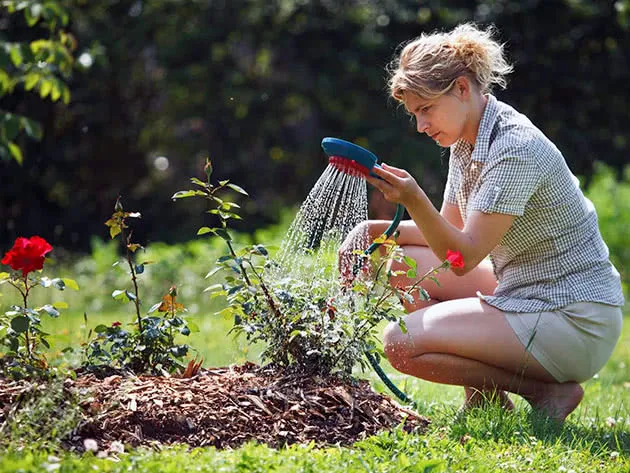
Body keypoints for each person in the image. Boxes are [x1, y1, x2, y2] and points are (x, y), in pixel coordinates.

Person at [340, 23, 624, 422]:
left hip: (573, 317)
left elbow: (462, 256)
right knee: (400, 260)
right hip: (524, 291)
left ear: (461, 89)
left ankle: (544, 391)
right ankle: (485, 399)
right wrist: (369, 232)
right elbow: (447, 236)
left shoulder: (513, 149)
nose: (420, 126)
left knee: (400, 344)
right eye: (414, 114)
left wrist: (414, 198)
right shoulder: (467, 141)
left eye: (426, 110)